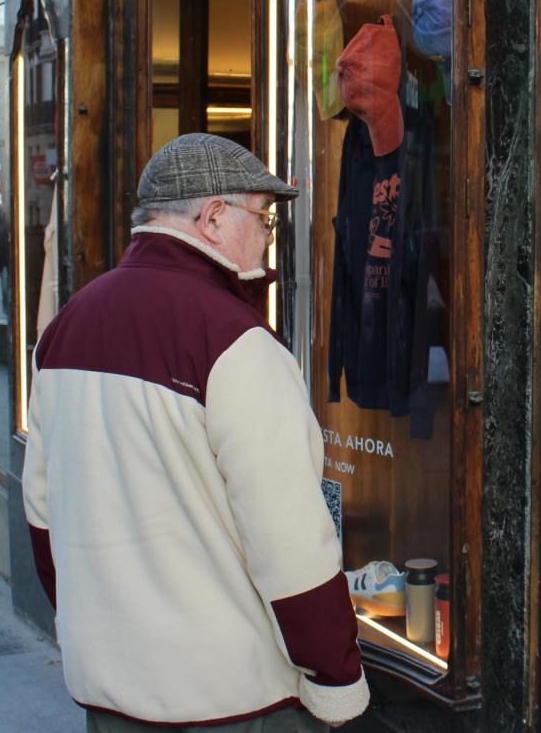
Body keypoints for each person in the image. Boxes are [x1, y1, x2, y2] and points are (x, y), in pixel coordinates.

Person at [23, 134, 368, 733]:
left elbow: (42, 514)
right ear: (212, 218)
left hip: (109, 691)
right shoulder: (235, 341)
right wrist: (336, 678)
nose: (267, 237)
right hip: (230, 700)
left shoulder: (67, 326)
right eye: (262, 218)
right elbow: (289, 540)